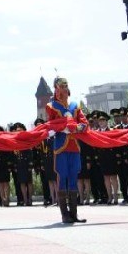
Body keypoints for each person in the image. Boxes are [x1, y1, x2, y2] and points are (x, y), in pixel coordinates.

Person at [45, 76, 88, 224]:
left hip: (74, 145)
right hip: (61, 147)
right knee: (62, 177)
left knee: (73, 178)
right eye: (60, 86)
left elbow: (84, 123)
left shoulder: (75, 105)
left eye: (65, 86)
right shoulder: (51, 106)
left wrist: (76, 128)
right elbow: (50, 125)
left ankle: (74, 213)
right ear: (55, 89)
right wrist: (63, 128)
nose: (63, 89)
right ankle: (65, 214)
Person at [10, 123, 34, 206]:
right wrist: (15, 165)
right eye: (17, 131)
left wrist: (31, 164)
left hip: (27, 163)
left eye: (20, 130)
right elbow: (14, 155)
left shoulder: (26, 139)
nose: (18, 132)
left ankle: (30, 198)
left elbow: (30, 152)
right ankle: (25, 199)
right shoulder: (15, 140)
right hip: (19, 164)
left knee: (29, 182)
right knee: (22, 183)